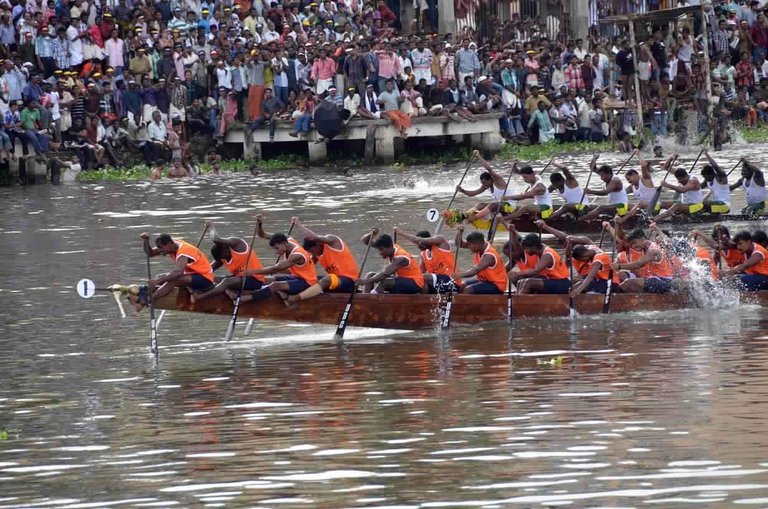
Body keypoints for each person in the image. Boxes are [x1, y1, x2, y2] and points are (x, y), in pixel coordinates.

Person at [236, 217, 318, 303]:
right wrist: (259, 224)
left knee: (275, 285)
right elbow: (262, 235)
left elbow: (276, 268)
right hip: (296, 276)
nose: (276, 252)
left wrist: (252, 272)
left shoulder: (297, 255)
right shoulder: (286, 238)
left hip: (307, 283)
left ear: (284, 243)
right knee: (265, 279)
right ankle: (254, 292)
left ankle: (246, 299)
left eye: (277, 248)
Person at [128, 232, 214, 312]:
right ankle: (141, 295)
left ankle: (145, 301)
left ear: (169, 244)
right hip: (192, 275)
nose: (160, 250)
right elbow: (150, 253)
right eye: (159, 247)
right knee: (159, 277)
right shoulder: (172, 245)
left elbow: (178, 273)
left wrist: (157, 282)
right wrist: (146, 241)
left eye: (161, 247)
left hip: (205, 279)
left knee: (172, 280)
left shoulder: (183, 252)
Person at [285, 217, 360, 305]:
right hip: (336, 282)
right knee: (309, 279)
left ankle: (295, 299)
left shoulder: (333, 241)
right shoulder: (316, 254)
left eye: (313, 251)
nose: (313, 254)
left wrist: (298, 225)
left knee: (327, 279)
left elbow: (313, 238)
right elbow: (306, 267)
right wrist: (285, 270)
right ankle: (288, 294)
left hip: (350, 282)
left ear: (318, 244)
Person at [190, 221, 265, 303]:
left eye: (224, 256)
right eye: (222, 258)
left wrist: (211, 226)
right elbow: (208, 270)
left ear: (225, 247)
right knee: (212, 279)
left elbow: (215, 239)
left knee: (226, 282)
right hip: (240, 280)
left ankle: (200, 297)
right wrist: (193, 274)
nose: (225, 258)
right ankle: (229, 292)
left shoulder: (237, 244)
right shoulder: (222, 257)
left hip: (255, 280)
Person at [451, 151, 514, 222]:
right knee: (480, 205)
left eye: (485, 183)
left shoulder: (498, 181)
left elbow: (489, 169)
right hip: (499, 206)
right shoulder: (486, 186)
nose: (484, 185)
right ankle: (463, 216)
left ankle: (473, 219)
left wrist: (478, 156)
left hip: (510, 206)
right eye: (482, 183)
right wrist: (462, 190)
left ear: (490, 179)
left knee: (492, 204)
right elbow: (473, 193)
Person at [394, 227, 458, 293]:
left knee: (423, 278)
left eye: (419, 243)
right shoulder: (424, 254)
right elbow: (419, 273)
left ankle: (423, 300)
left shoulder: (440, 242)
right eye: (417, 244)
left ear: (428, 240)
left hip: (452, 281)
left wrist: (402, 234)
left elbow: (419, 240)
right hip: (439, 283)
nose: (419, 245)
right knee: (417, 278)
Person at [356, 232, 425, 294]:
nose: (380, 253)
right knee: (370, 275)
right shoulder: (388, 246)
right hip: (401, 279)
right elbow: (365, 241)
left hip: (415, 283)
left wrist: (364, 281)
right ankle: (366, 298)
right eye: (379, 250)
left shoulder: (400, 257)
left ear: (390, 247)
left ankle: (374, 299)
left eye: (381, 250)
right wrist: (372, 234)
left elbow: (385, 274)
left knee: (384, 282)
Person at [611, 228, 674, 294]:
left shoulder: (653, 249)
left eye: (634, 243)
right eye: (631, 244)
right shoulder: (644, 249)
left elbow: (638, 264)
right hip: (652, 279)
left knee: (628, 283)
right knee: (620, 274)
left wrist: (619, 266)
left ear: (642, 239)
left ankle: (616, 296)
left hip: (664, 280)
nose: (633, 246)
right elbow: (622, 241)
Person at [451, 229, 508, 294]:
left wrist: (459, 275)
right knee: (461, 286)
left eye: (470, 245)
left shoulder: (489, 256)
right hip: (485, 280)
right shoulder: (480, 246)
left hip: (496, 285)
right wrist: (460, 232)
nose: (468, 247)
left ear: (478, 244)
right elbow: (459, 244)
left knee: (468, 290)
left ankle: (466, 303)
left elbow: (476, 270)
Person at [579, 155, 630, 222]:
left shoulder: (615, 180)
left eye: (602, 176)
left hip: (622, 207)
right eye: (600, 176)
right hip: (613, 206)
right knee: (590, 206)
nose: (601, 178)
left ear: (608, 174)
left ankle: (579, 219)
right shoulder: (608, 177)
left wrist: (591, 191)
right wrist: (594, 159)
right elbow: (592, 168)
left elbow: (605, 192)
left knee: (600, 208)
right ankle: (588, 217)